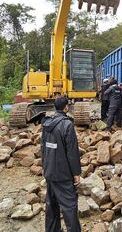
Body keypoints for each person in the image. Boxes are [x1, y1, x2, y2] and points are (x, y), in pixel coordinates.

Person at [41, 97, 82, 232]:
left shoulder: (47, 124)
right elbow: (72, 152)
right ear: (65, 108)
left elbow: (43, 148)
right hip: (63, 174)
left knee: (51, 205)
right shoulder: (67, 125)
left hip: (50, 171)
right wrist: (76, 173)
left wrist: (45, 167)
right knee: (69, 207)